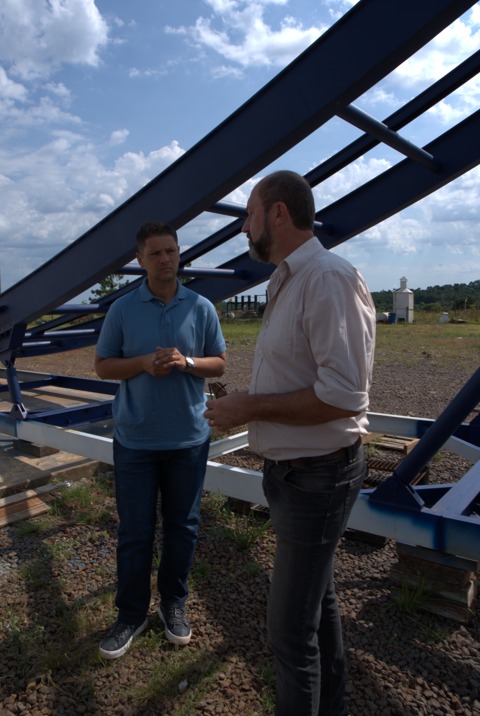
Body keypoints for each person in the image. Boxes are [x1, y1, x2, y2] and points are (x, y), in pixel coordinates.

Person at [204, 171, 375, 715]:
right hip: (296, 474)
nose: (245, 228)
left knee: (288, 636)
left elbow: (344, 396)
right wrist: (247, 406)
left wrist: (248, 407)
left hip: (317, 476)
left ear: (278, 213)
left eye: (249, 215)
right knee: (316, 609)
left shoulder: (326, 277)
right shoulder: (289, 277)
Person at [95, 221, 226, 659]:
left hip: (188, 437)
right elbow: (103, 366)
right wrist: (141, 364)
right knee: (134, 532)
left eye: (171, 251)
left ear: (179, 253)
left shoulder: (201, 307)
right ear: (140, 260)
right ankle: (131, 615)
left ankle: (174, 603)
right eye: (155, 253)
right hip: (135, 439)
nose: (165, 259)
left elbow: (220, 364)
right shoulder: (124, 309)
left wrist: (188, 361)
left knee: (183, 528)